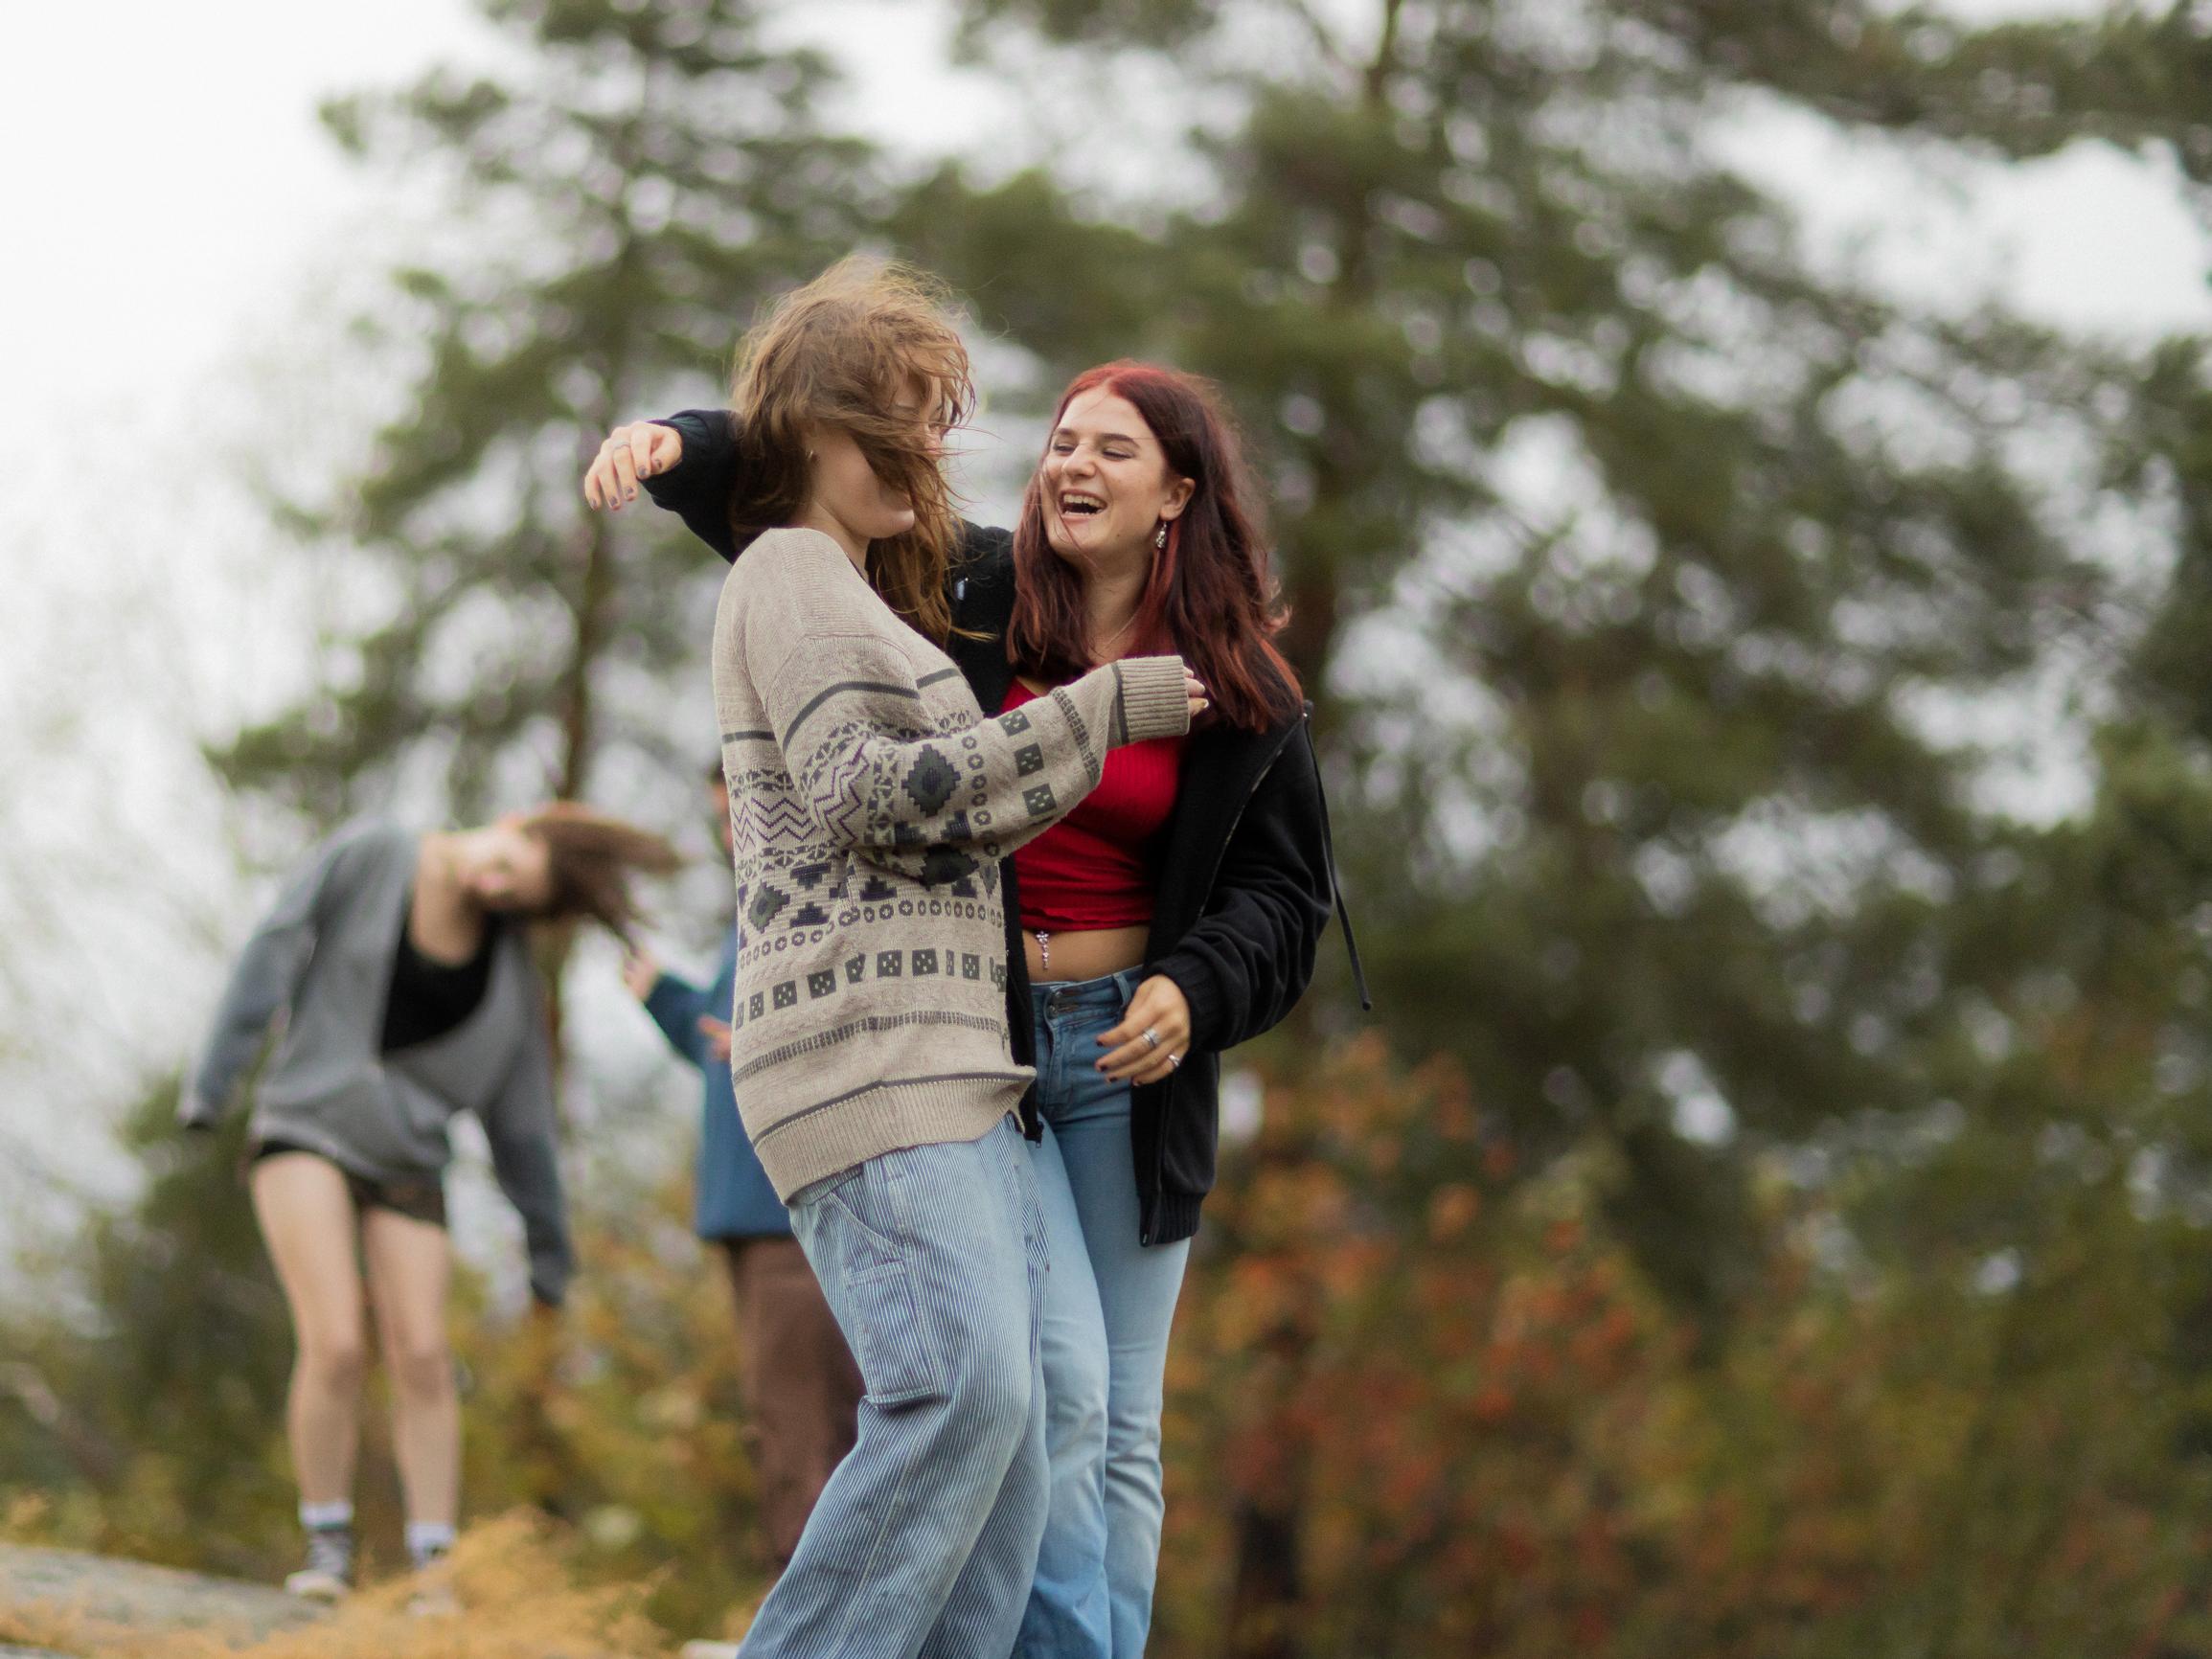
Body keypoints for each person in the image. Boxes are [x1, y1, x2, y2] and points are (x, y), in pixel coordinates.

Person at [589, 359, 1366, 1658]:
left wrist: (1193, 986)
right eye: (1062, 442)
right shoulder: (977, 591)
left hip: (1132, 1057)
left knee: (1112, 1421)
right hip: (980, 1051)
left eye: (1112, 450)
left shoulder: (1241, 691)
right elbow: (824, 478)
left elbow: (1286, 900)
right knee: (1038, 1396)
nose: (1071, 465)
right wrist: (676, 445)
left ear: (1179, 489)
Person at [180, 804, 679, 1604]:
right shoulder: (374, 854)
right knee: (338, 1340)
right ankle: (328, 1544)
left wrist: (549, 1254)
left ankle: (434, 1569)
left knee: (421, 1355)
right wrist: (213, 1082)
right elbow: (271, 947)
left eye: (517, 901)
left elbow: (523, 1128)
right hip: (306, 1125)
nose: (498, 891)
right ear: (513, 824)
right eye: (508, 871)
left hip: (408, 1158)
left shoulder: (510, 974)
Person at [621, 762, 864, 1574]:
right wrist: (665, 998)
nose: (732, 836)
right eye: (722, 820)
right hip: (743, 1214)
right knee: (780, 1424)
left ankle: (822, 1627)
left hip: (792, 1212)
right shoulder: (752, 913)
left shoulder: (818, 906)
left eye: (743, 815)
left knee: (806, 1429)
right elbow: (726, 1044)